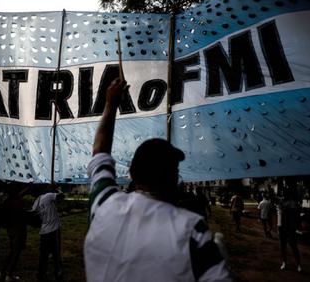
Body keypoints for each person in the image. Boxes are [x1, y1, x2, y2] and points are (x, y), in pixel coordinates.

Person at [83, 78, 230, 282]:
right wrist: (217, 258)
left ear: (132, 174)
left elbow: (99, 151)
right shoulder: (191, 229)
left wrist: (111, 103)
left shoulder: (103, 204)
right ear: (174, 179)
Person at [32, 185, 65, 281]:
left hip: (43, 232)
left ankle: (41, 274)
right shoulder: (48, 196)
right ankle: (58, 274)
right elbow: (62, 196)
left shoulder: (36, 202)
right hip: (53, 231)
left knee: (43, 255)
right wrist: (58, 189)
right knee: (56, 254)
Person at [0, 183, 28, 282]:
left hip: (10, 229)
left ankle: (2, 272)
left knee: (11, 251)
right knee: (16, 252)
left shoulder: (8, 200)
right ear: (16, 191)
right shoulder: (17, 202)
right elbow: (22, 215)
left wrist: (28, 187)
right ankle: (9, 274)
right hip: (18, 229)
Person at [277, 188, 302, 272]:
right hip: (284, 227)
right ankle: (285, 263)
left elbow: (296, 215)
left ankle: (297, 264)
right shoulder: (282, 203)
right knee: (284, 247)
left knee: (292, 247)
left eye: (284, 194)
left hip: (290, 227)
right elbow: (279, 216)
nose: (283, 196)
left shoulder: (292, 203)